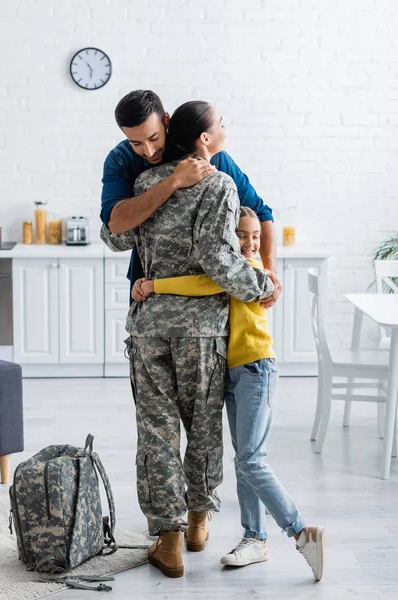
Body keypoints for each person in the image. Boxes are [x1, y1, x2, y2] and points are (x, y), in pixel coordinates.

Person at [100, 100, 274, 579]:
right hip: (202, 330)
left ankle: (169, 540)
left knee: (156, 431)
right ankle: (199, 522)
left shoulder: (141, 184)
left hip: (149, 323)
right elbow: (217, 259)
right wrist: (262, 284)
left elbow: (115, 237)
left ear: (169, 130)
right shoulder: (219, 184)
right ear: (202, 138)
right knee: (202, 427)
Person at [134, 207, 326, 582]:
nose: (250, 243)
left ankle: (302, 532)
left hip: (256, 370)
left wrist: (153, 285)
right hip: (232, 372)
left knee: (252, 461)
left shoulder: (249, 273)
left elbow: (203, 284)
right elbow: (203, 279)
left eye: (254, 235)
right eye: (241, 234)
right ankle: (255, 537)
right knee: (244, 460)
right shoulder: (233, 268)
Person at [100, 89, 281, 308]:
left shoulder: (215, 160)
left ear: (166, 120)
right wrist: (174, 181)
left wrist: (270, 271)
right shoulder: (122, 159)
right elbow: (115, 224)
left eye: (154, 138)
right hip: (147, 286)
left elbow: (260, 212)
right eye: (136, 143)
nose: (148, 151)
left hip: (207, 291)